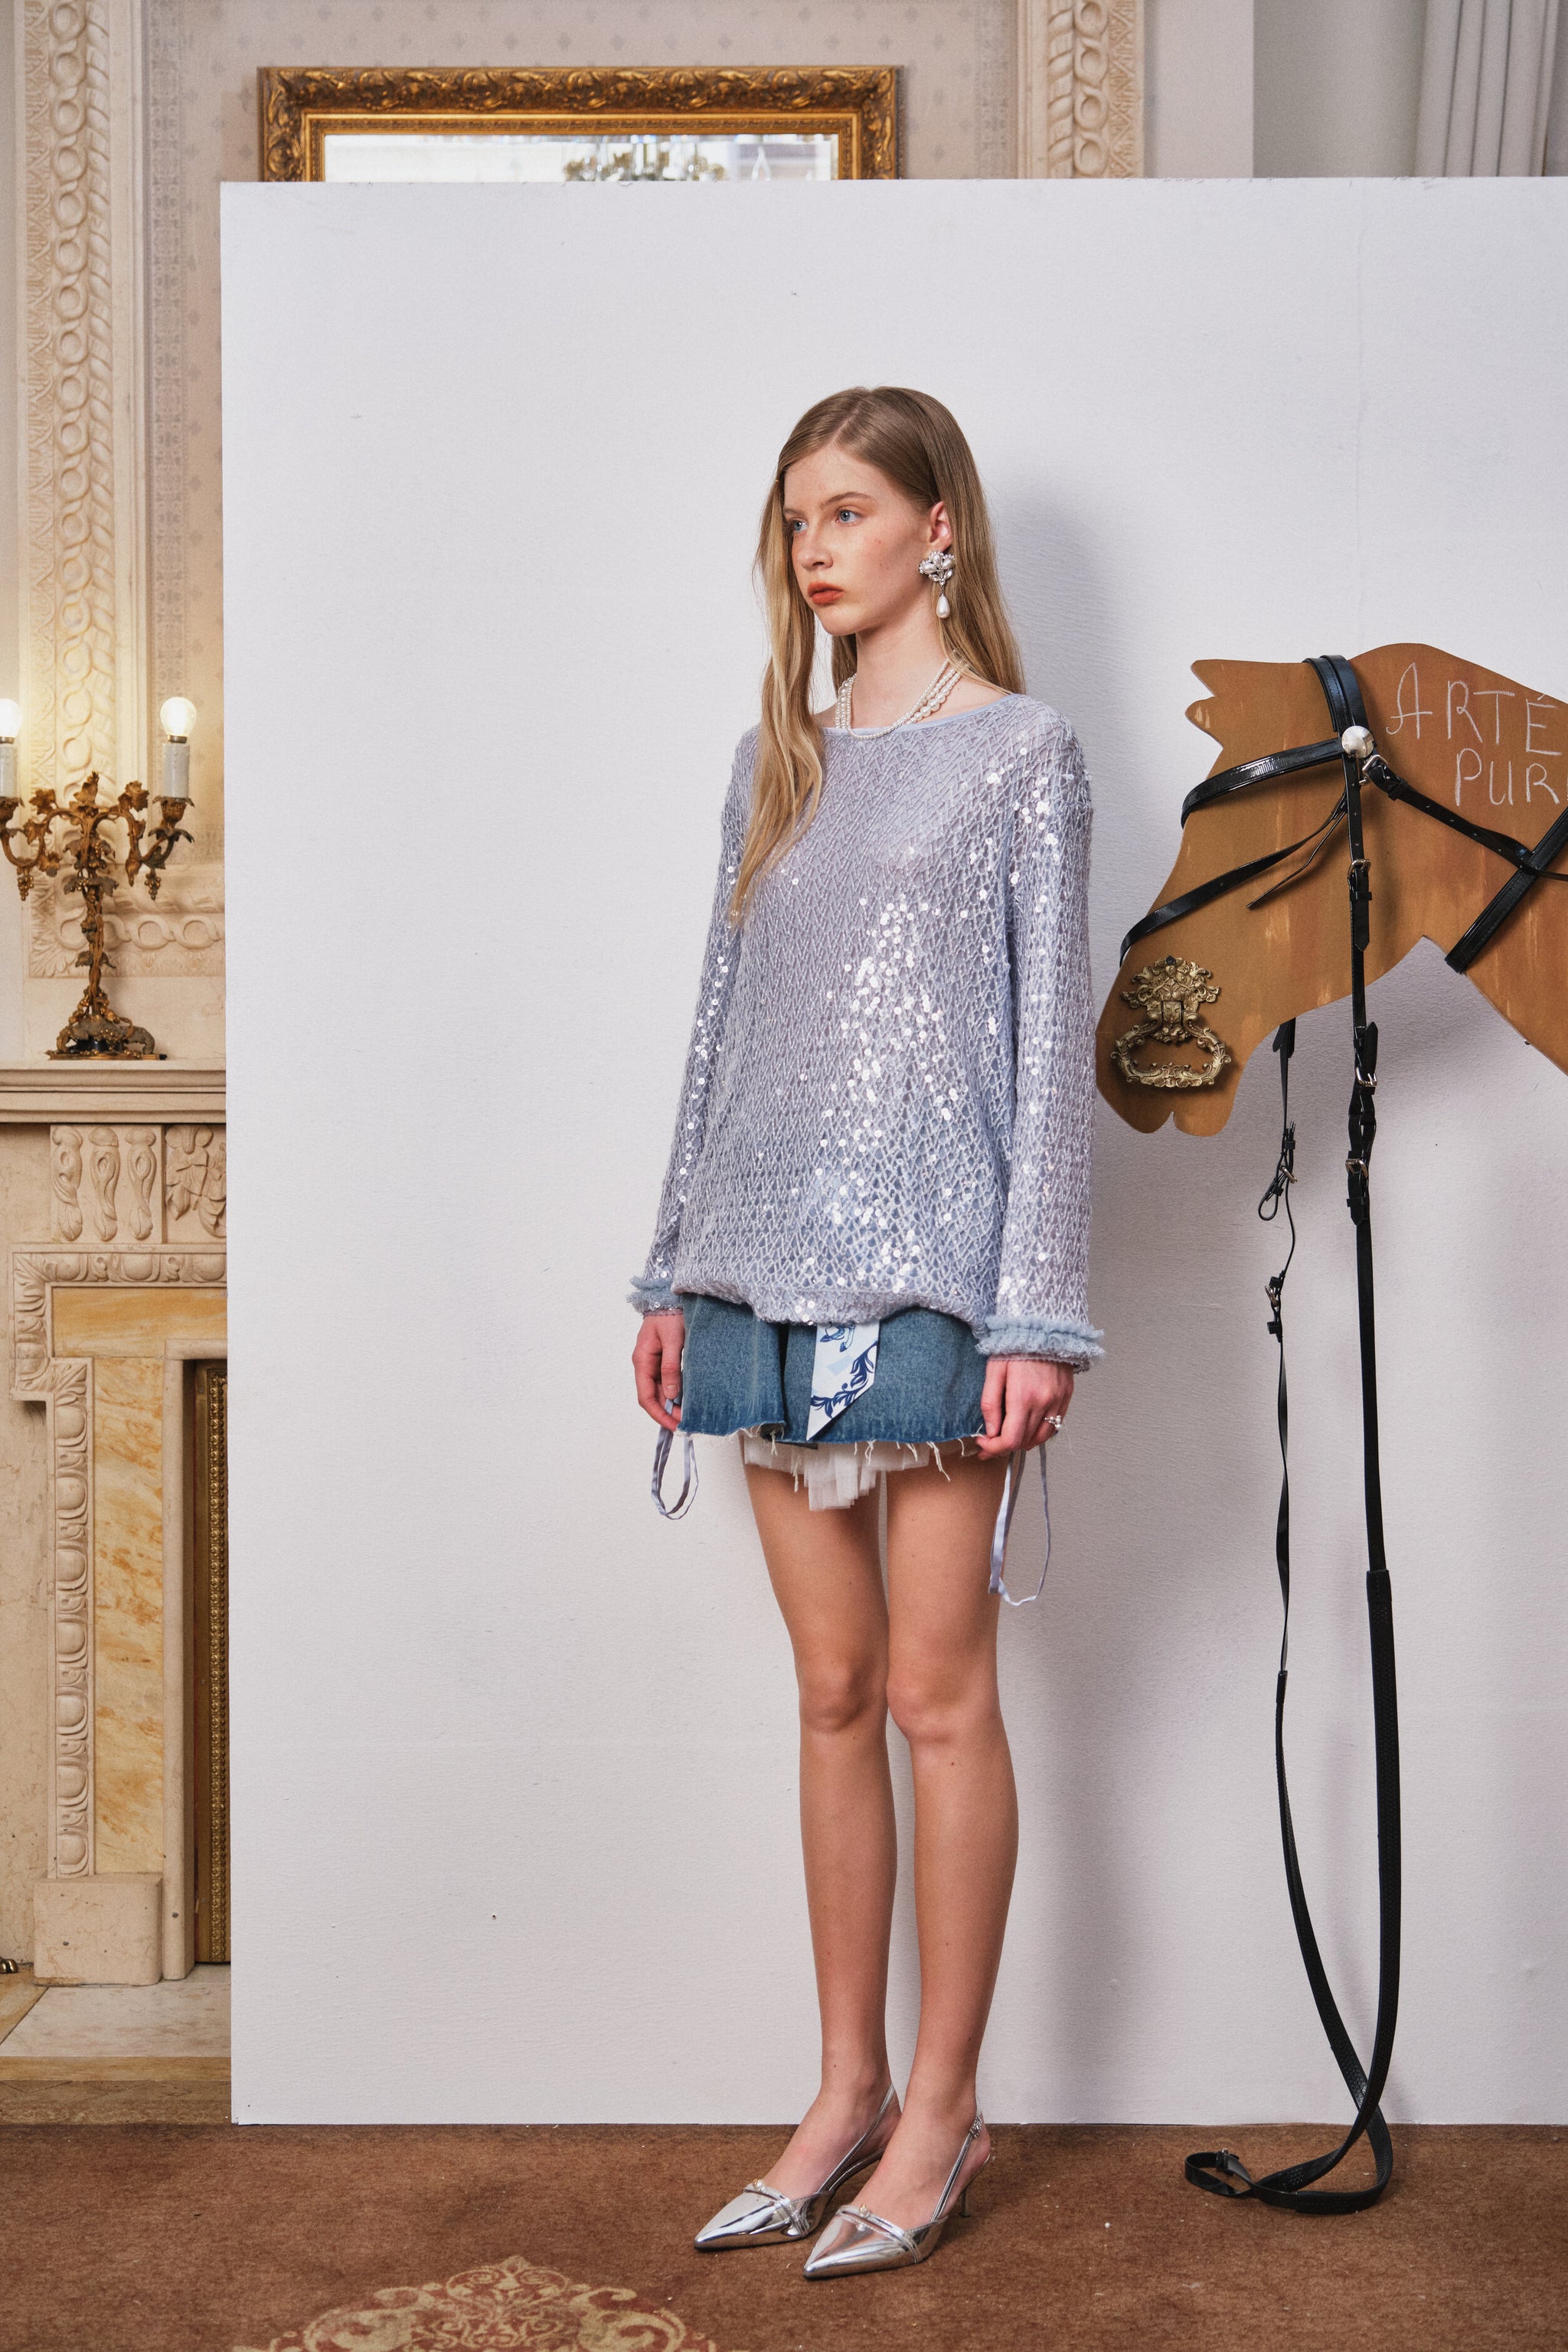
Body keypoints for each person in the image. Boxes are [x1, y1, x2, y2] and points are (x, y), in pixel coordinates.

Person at [629, 385, 1099, 2279]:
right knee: (827, 1695)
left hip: (936, 1288)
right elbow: (716, 1025)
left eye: (845, 511)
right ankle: (840, 2092)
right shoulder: (777, 761)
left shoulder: (1023, 755)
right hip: (753, 1274)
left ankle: (942, 2109)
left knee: (934, 1697)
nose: (814, 547)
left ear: (936, 530)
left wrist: (1037, 1311)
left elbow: (1046, 1050)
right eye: (795, 519)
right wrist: (667, 1274)